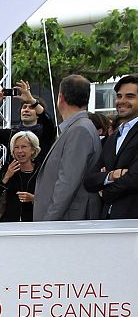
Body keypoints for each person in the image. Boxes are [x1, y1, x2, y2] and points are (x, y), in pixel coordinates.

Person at [33, 74, 101, 221]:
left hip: (68, 219)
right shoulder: (78, 127)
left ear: (61, 97)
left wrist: (48, 222)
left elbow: (67, 182)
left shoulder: (80, 129)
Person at [84, 74, 138, 218]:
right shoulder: (113, 137)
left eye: (130, 96)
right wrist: (112, 175)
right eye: (119, 96)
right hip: (108, 219)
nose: (122, 101)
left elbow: (134, 179)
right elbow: (89, 180)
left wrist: (105, 192)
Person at [0, 80, 56, 162]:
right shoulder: (12, 134)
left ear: (38, 114)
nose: (26, 110)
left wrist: (31, 100)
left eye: (31, 107)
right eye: (24, 107)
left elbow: (48, 121)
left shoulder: (45, 133)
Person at [0, 131, 40, 222]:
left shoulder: (41, 170)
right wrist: (6, 177)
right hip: (9, 223)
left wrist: (33, 198)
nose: (20, 151)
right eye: (16, 147)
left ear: (33, 150)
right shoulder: (8, 168)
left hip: (34, 222)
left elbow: (50, 197)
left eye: (24, 147)